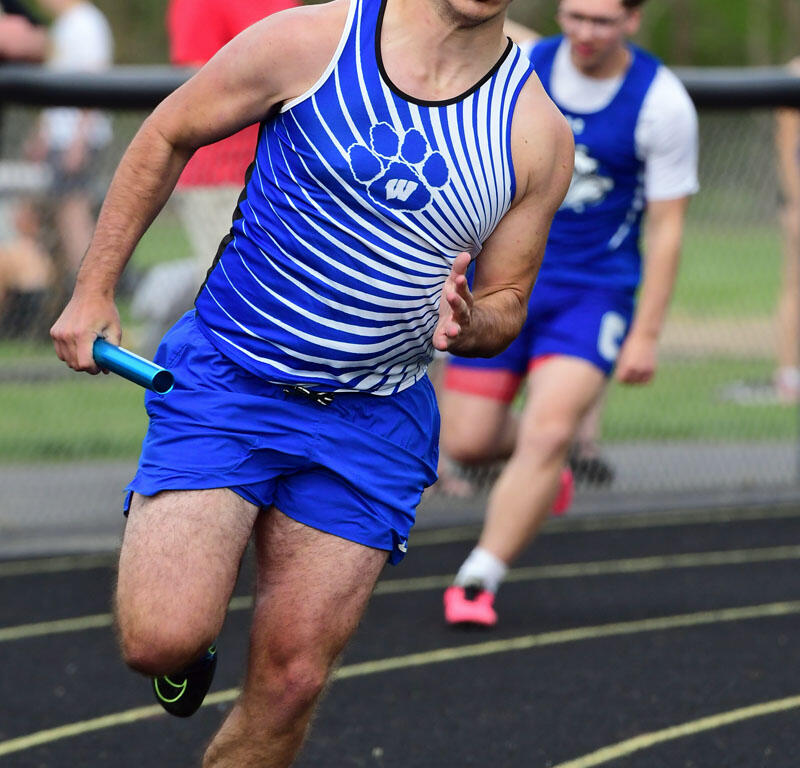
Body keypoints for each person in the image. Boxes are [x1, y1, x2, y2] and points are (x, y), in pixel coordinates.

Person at [50, 0, 574, 762]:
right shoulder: (312, 41)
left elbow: (508, 301)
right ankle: (187, 653)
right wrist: (95, 288)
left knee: (292, 683)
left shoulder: (536, 131)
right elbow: (168, 132)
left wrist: (471, 320)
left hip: (373, 418)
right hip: (232, 380)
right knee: (161, 640)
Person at [441, 0, 699, 628]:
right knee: (466, 441)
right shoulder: (521, 68)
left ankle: (478, 579)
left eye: (603, 20)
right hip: (504, 279)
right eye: (574, 16)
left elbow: (667, 231)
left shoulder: (662, 102)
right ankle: (541, 462)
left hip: (593, 293)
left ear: (633, 22)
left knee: (551, 431)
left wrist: (646, 334)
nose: (585, 32)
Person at [131, 0, 299, 354]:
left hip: (283, 169)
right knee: (236, 296)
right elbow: (196, 84)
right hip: (220, 173)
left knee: (282, 294)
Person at [25, 0, 112, 291]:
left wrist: (79, 139)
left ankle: (89, 289)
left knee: (73, 216)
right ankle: (60, 291)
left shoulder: (86, 22)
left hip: (75, 140)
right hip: (61, 138)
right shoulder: (64, 26)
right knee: (49, 216)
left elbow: (92, 82)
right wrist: (43, 134)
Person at [773, 57, 800, 404]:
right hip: (799, 198)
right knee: (795, 284)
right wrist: (796, 203)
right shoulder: (794, 74)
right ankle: (787, 374)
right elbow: (786, 145)